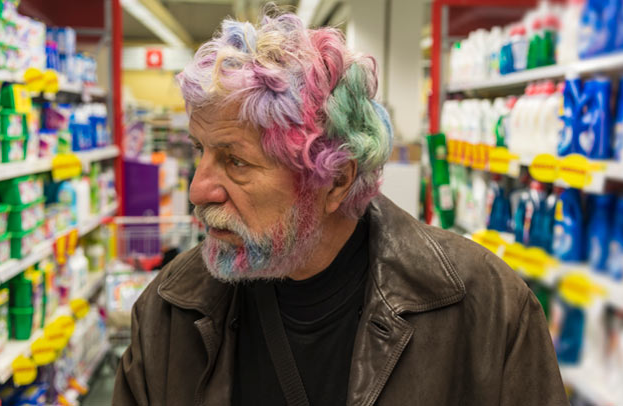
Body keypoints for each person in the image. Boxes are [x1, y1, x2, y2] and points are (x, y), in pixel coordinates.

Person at [112, 10, 568, 406]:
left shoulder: (483, 309)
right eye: (200, 150)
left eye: (235, 161)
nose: (198, 189)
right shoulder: (170, 311)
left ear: (335, 180)